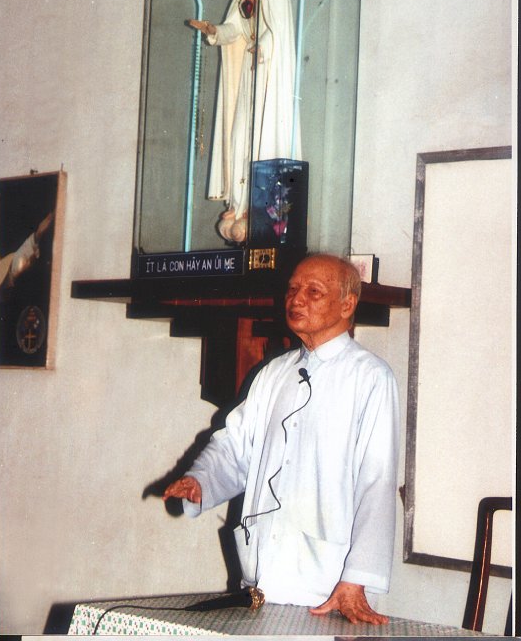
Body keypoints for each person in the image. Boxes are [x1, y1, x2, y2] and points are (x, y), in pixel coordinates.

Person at [163, 254, 399, 625]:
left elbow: (377, 481)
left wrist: (357, 578)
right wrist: (200, 480)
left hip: (328, 589)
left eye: (313, 292)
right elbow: (235, 446)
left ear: (347, 305)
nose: (296, 299)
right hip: (260, 581)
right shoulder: (273, 374)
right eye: (292, 290)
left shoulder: (370, 377)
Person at [189, 0, 300, 244]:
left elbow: (280, 31)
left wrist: (263, 44)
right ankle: (240, 204)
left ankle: (260, 207)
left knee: (263, 137)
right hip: (249, 79)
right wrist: (214, 30)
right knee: (240, 136)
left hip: (267, 76)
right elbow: (235, 28)